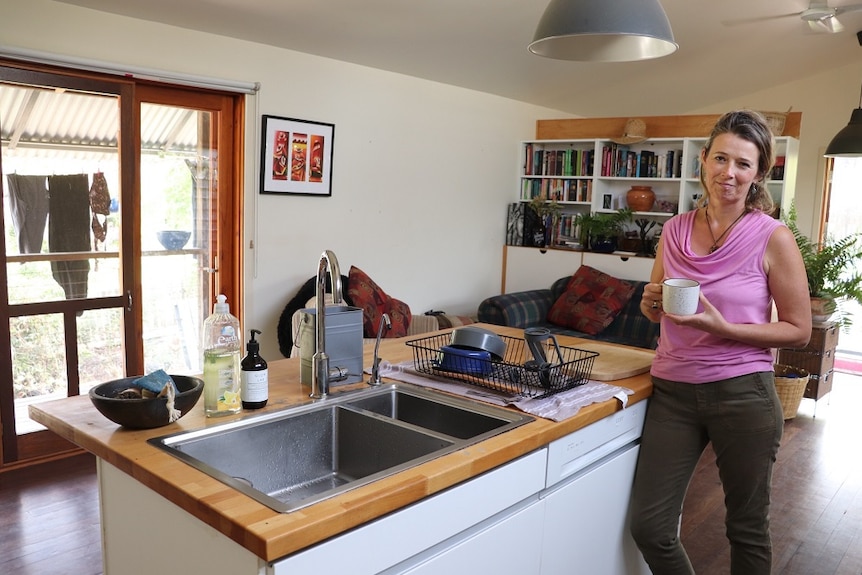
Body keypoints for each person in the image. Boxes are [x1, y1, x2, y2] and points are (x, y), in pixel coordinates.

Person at [629, 109, 812, 575]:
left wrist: (721, 327)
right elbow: (656, 310)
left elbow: (798, 329)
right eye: (721, 158)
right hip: (672, 391)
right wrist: (651, 303)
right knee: (650, 526)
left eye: (744, 164)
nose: (729, 173)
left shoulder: (773, 237)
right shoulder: (673, 230)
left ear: (757, 175)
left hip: (744, 393)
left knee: (747, 530)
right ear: (703, 162)